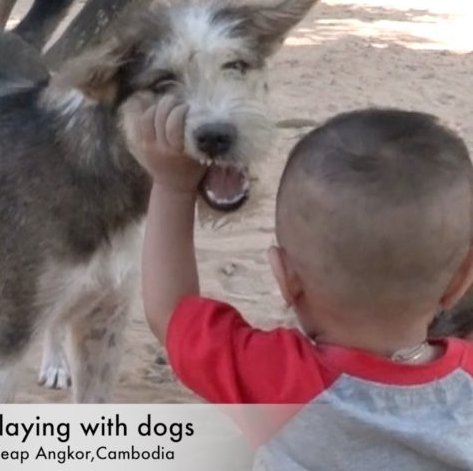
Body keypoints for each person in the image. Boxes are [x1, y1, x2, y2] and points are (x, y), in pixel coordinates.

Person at [138, 98, 473, 469]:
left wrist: (172, 187)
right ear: (460, 280)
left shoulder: (277, 379)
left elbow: (169, 312)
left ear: (286, 279)